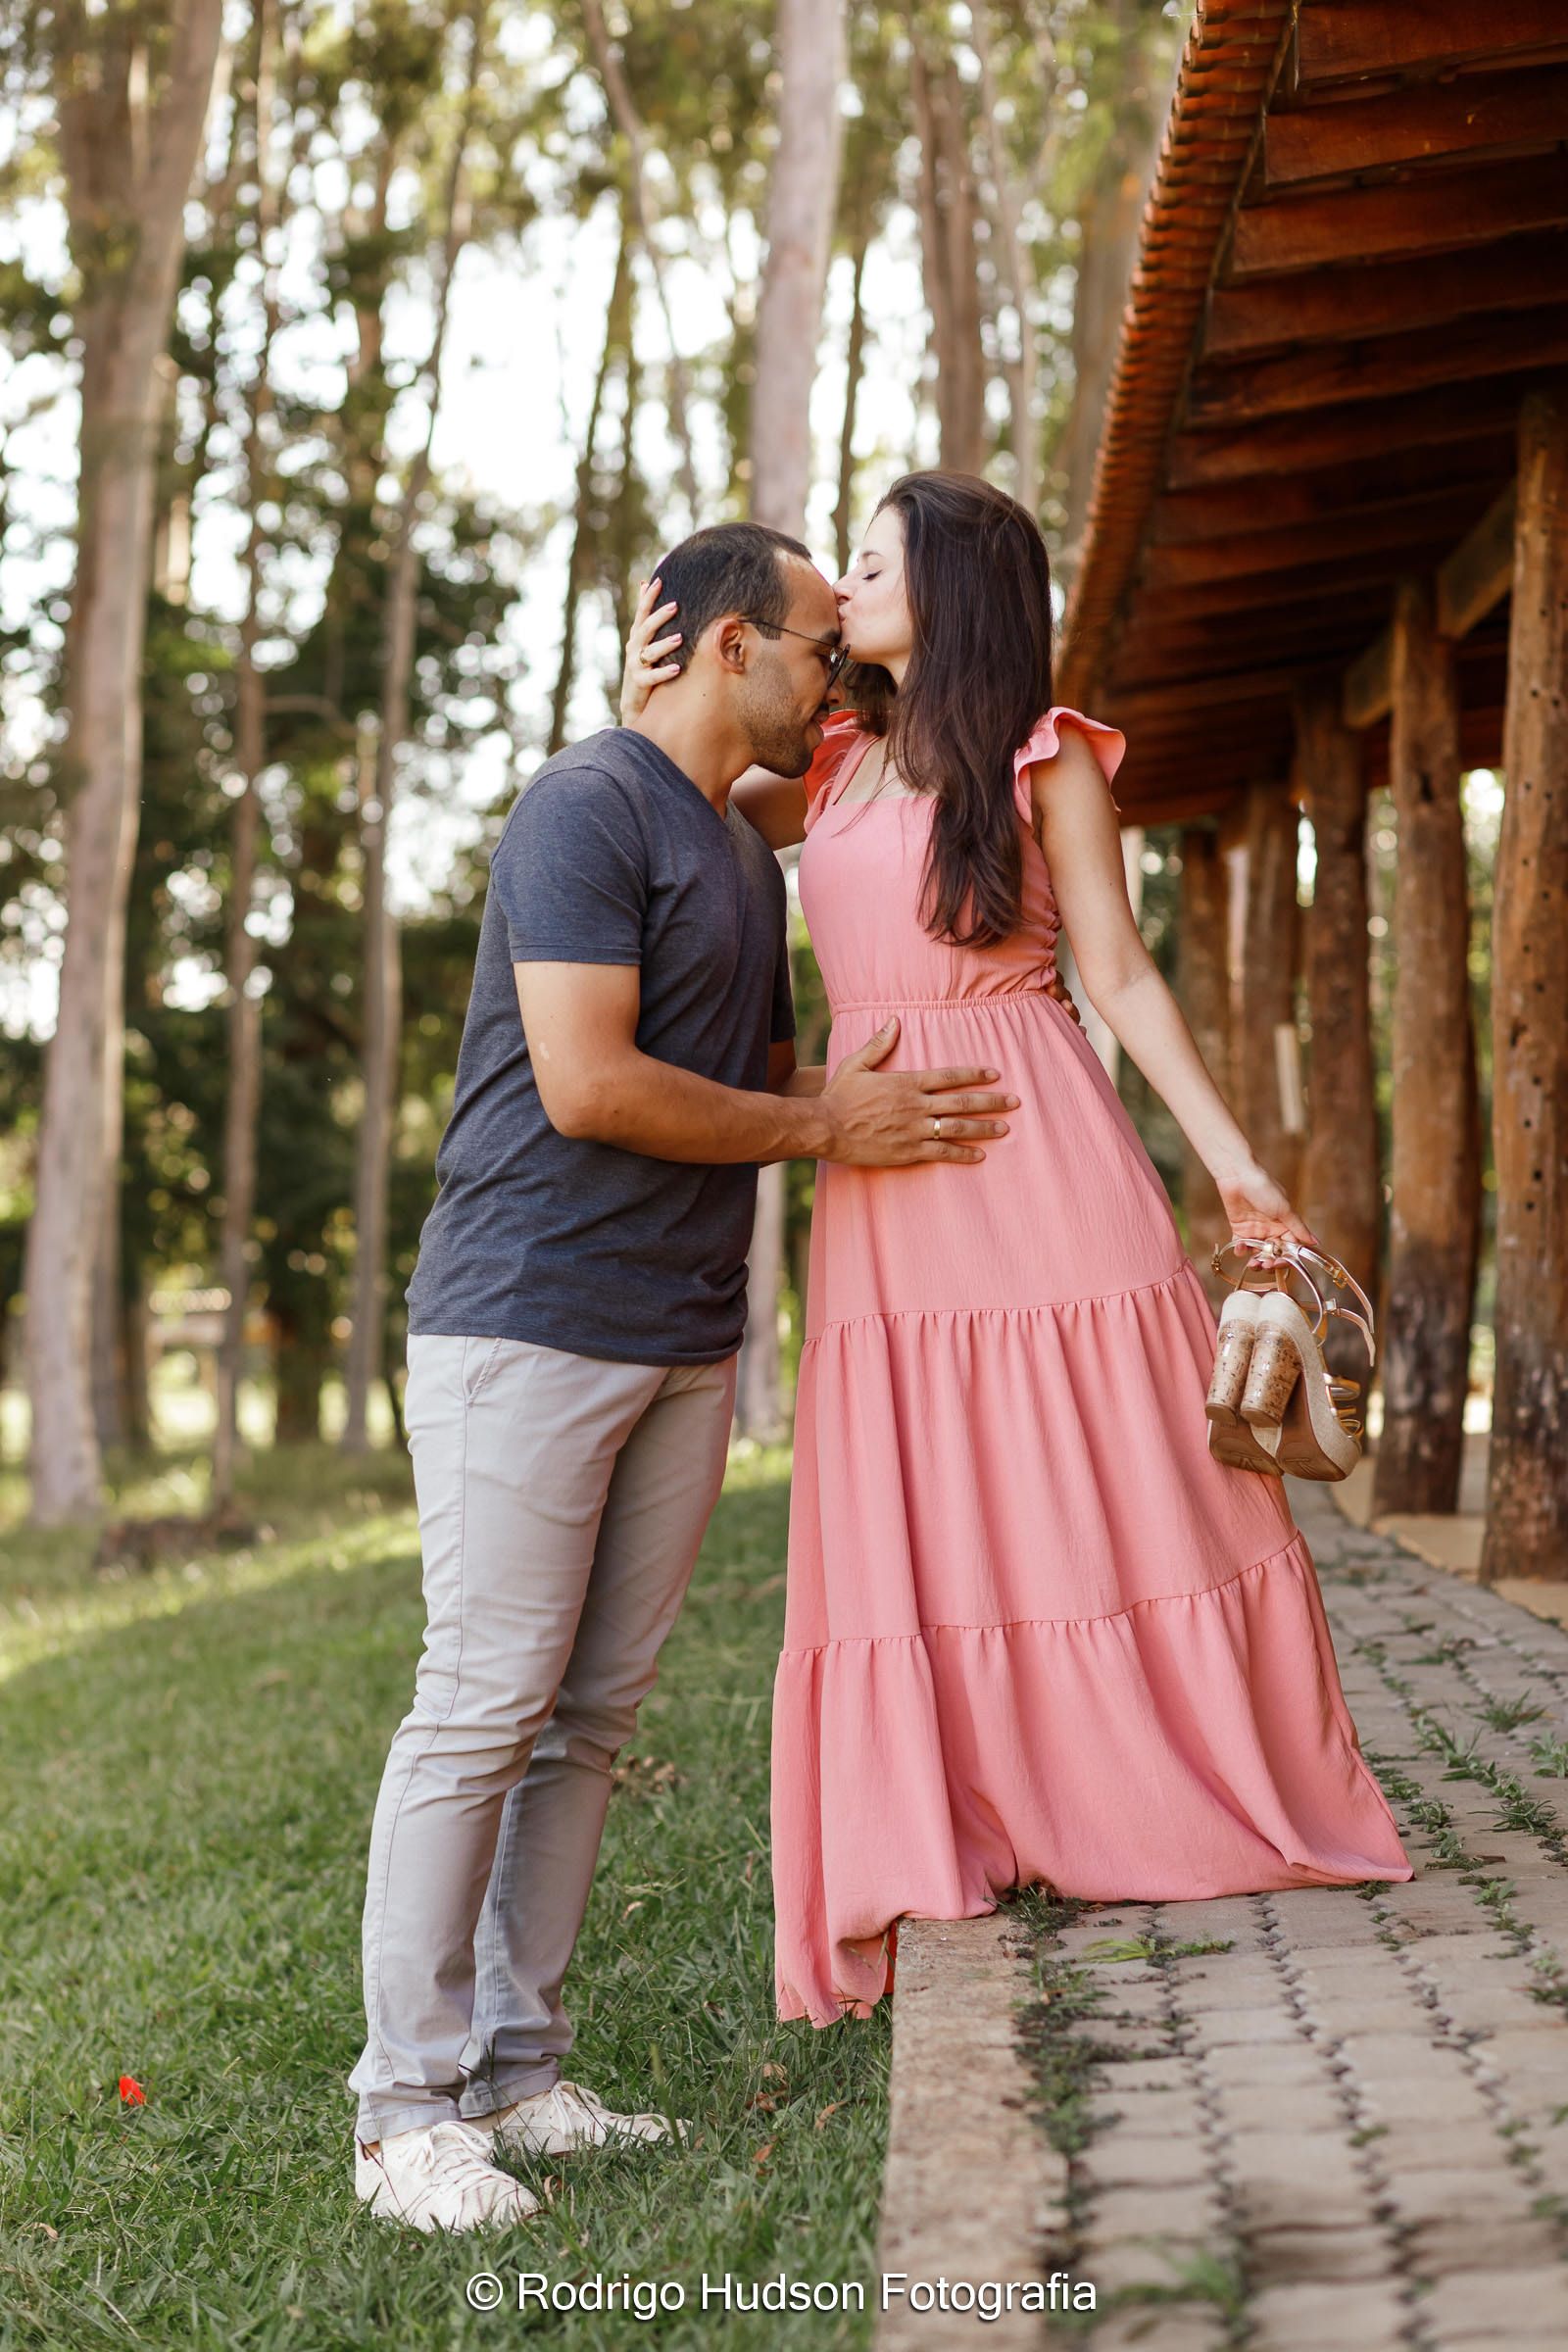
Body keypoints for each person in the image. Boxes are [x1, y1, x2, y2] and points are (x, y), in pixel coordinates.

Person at [620, 471, 1412, 2034]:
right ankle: (965, 1809)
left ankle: (1162, 1789)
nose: (845, 586)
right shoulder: (830, 765)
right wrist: (642, 684)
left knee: (1130, 1474)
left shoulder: (1045, 759)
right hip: (883, 1168)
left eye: (872, 559)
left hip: (1039, 1150)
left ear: (956, 590)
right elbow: (688, 779)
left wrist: (1240, 1165)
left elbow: (1114, 971)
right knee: (933, 1491)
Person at [349, 519, 1019, 2231]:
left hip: (676, 1333)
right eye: (813, 646)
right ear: (727, 647)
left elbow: (778, 1046)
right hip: (527, 1319)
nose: (838, 674)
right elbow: (589, 1082)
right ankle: (403, 2111)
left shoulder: (739, 848)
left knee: (585, 1722)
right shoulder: (587, 809)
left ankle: (520, 2070)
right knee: (483, 1700)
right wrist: (820, 1125)